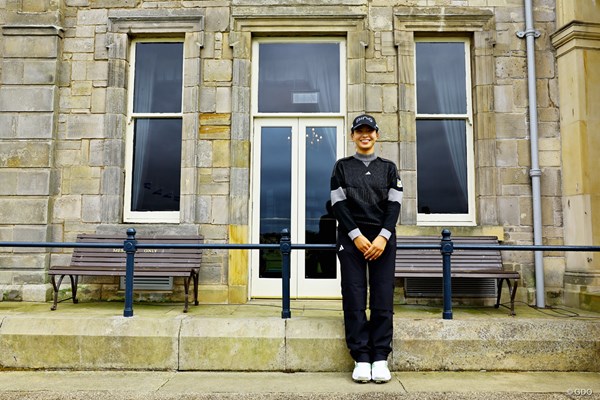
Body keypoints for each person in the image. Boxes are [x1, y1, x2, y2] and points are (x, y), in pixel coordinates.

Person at [330, 114, 403, 383]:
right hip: (351, 241)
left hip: (383, 239)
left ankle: (380, 358)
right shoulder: (342, 167)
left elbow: (394, 205)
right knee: (354, 296)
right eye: (359, 131)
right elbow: (339, 205)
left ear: (376, 135)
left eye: (369, 131)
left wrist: (382, 237)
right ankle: (361, 357)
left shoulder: (389, 168)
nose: (365, 135)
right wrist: (357, 237)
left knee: (383, 297)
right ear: (352, 136)